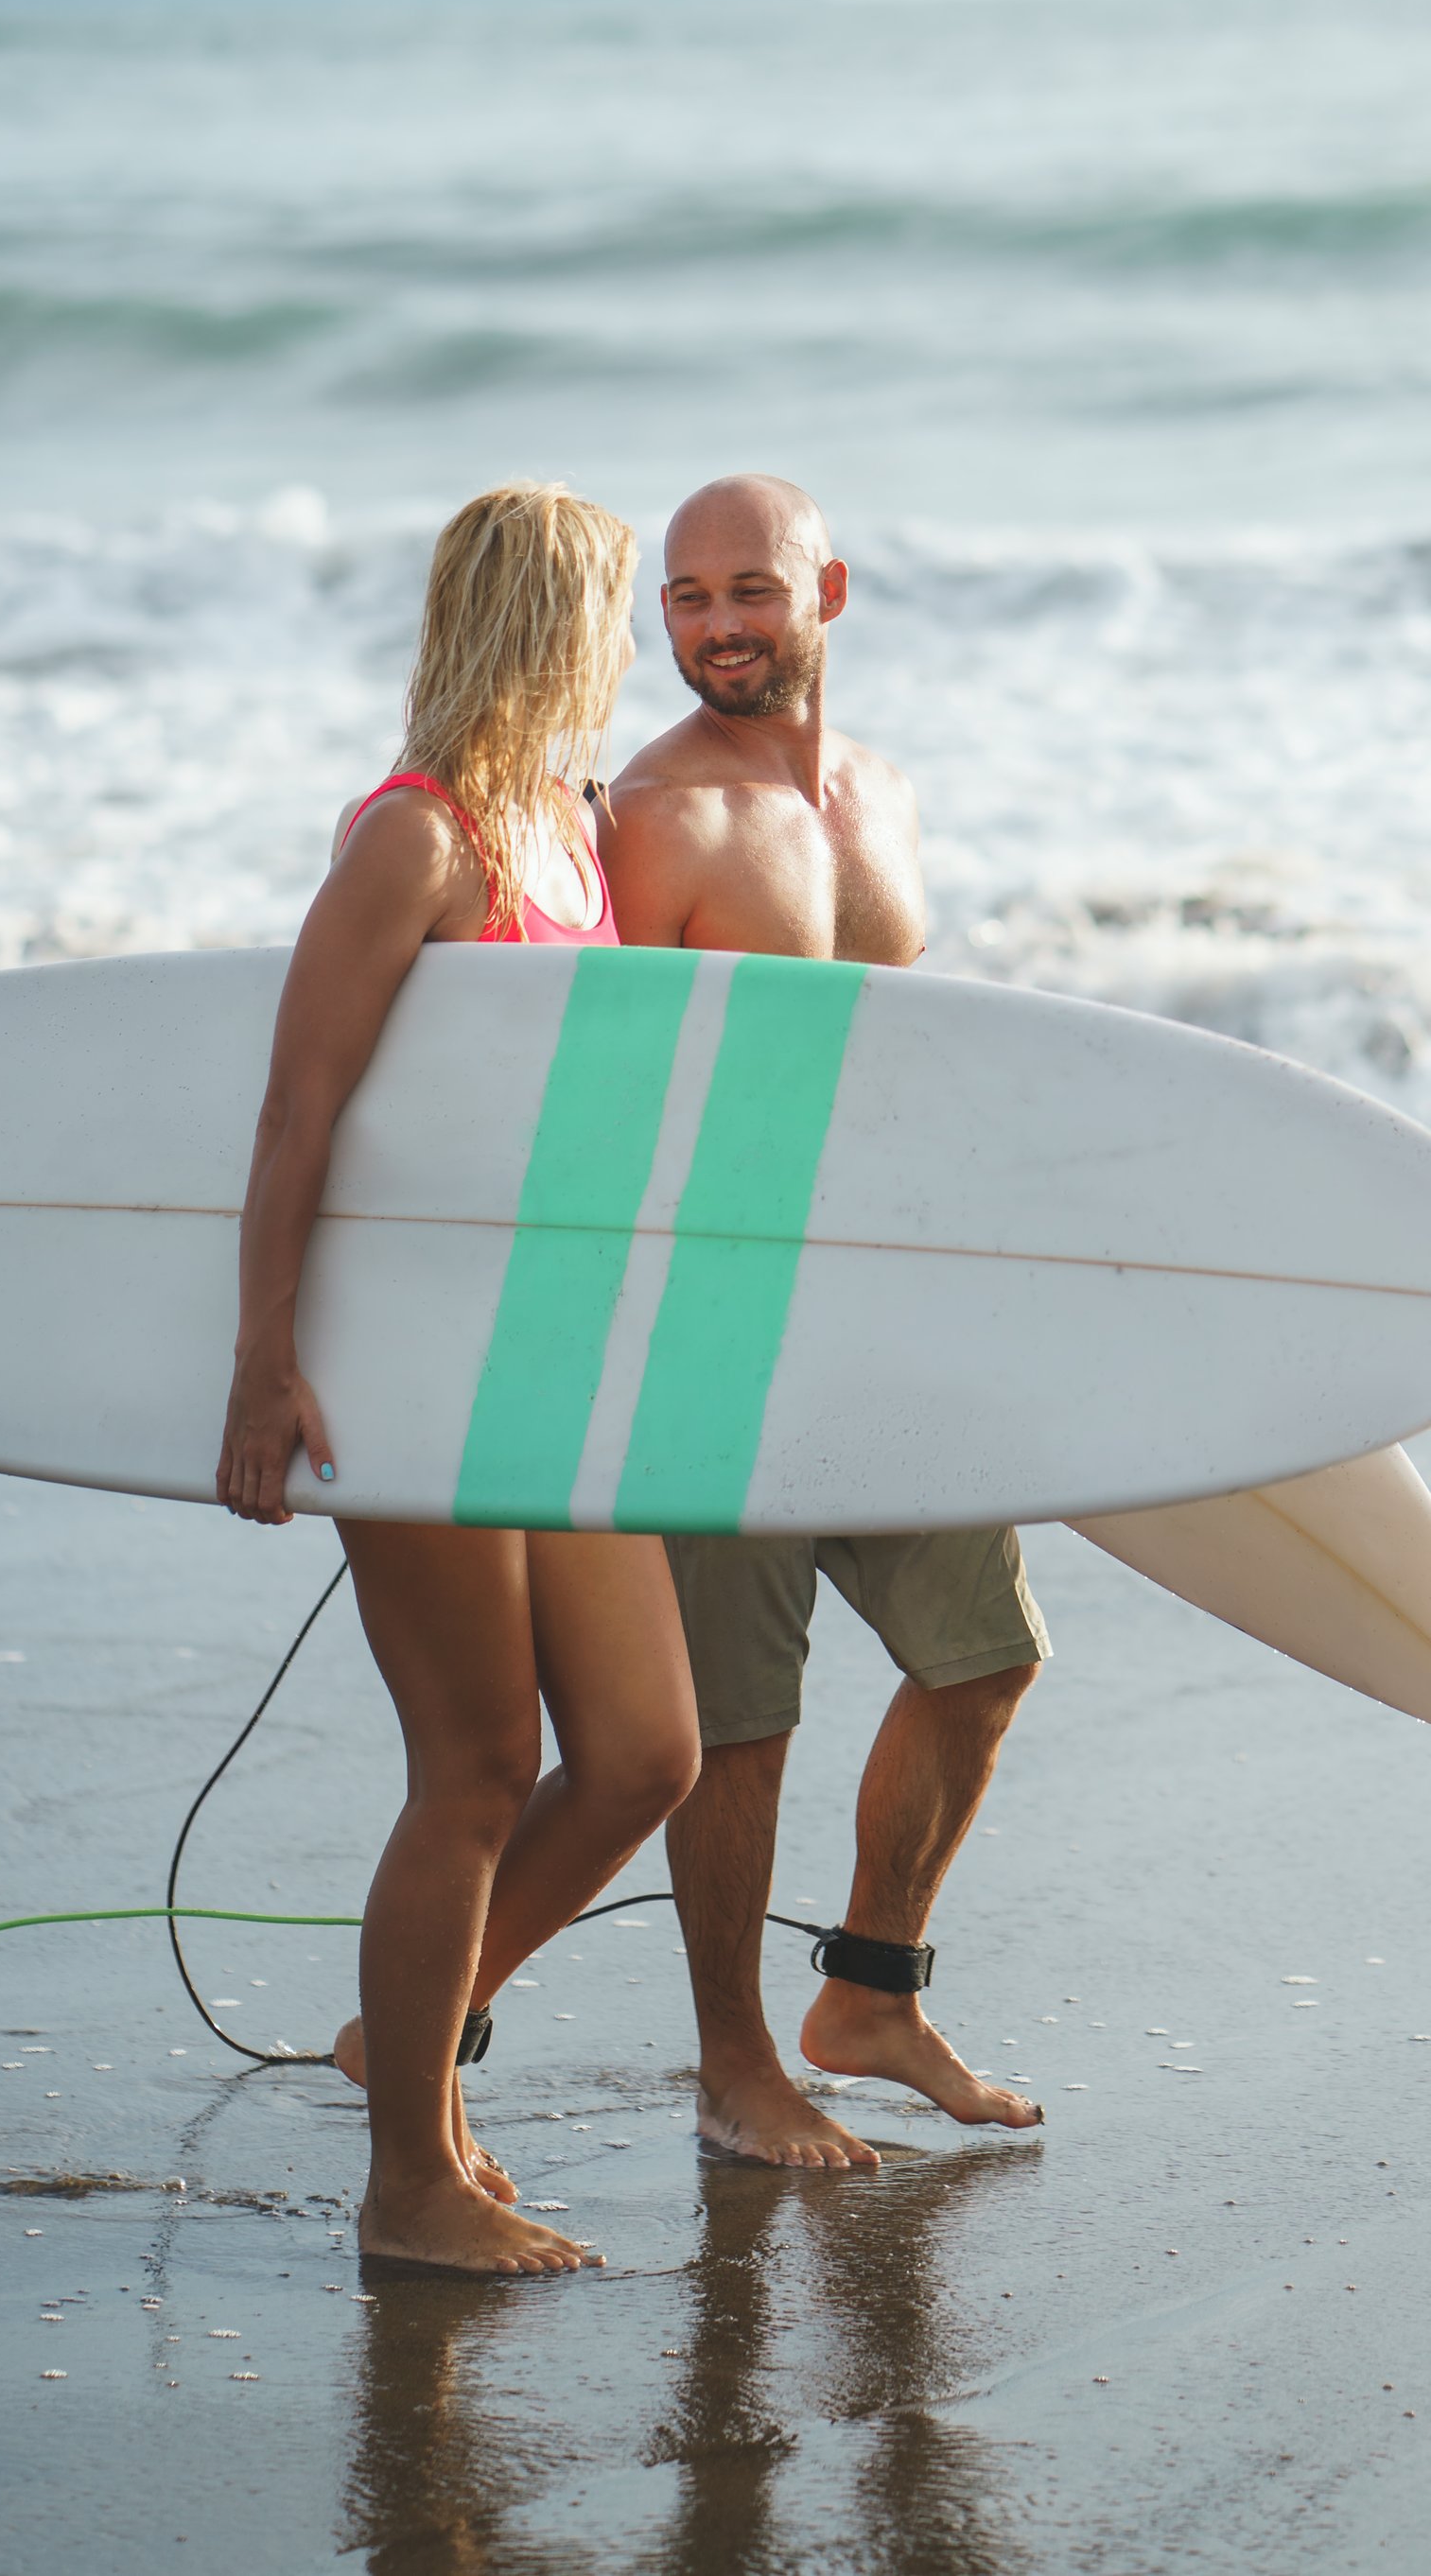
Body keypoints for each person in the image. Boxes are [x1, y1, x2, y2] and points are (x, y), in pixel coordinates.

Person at [217, 482, 702, 2278]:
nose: (626, 649)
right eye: (609, 611)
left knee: (644, 1748)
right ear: (549, 624)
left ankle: (400, 2043)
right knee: (482, 1762)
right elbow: (295, 1109)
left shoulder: (576, 836)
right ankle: (409, 2180)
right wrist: (264, 1366)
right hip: (415, 1359)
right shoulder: (418, 840)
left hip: (552, 1356)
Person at [602, 472, 1050, 2172]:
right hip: (715, 1316)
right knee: (740, 1718)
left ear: (829, 593)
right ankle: (734, 2065)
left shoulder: (887, 796)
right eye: (689, 596)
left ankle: (866, 1991)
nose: (718, 625)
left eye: (752, 591)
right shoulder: (652, 815)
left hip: (885, 1295)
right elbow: (590, 1090)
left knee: (984, 1656)